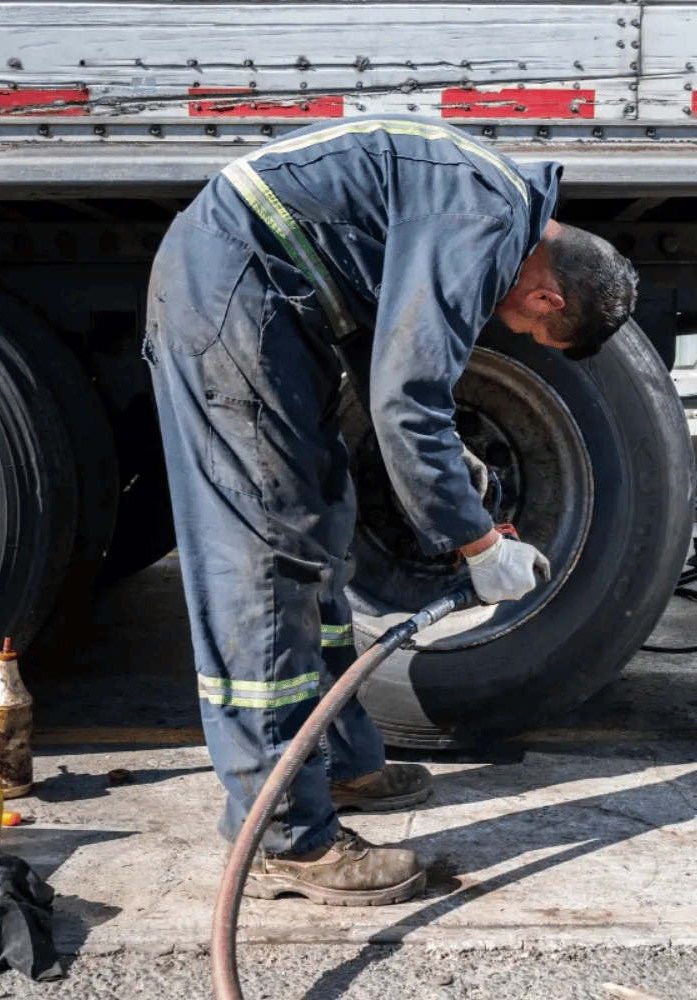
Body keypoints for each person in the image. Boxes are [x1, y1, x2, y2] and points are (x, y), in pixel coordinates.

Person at [143, 115, 637, 906]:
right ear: (548, 292)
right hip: (235, 292)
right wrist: (480, 547)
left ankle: (339, 764)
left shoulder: (489, 203)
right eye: (529, 327)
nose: (509, 329)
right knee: (269, 561)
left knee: (320, 530)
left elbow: (399, 370)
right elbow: (407, 405)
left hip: (267, 297)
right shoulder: (484, 223)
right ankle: (286, 841)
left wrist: (456, 470)